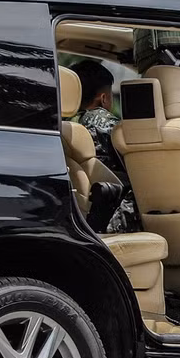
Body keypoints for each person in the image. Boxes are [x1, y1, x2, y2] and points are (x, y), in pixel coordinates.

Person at [68, 59, 140, 234]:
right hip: (113, 216)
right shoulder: (105, 123)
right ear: (104, 98)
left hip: (83, 213)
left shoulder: (67, 125)